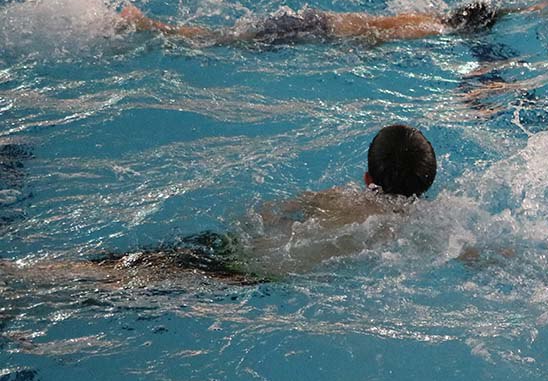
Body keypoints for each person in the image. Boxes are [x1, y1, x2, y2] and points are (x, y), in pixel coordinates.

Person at [2, 124, 437, 287]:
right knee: (122, 282)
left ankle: (27, 276)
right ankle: (31, 280)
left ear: (367, 179)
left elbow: (269, 212)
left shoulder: (335, 197)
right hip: (249, 279)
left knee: (120, 269)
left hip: (234, 251)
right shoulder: (420, 227)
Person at [116, 0, 502, 46]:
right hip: (313, 30)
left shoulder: (432, 15)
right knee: (223, 40)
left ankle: (149, 25)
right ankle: (148, 26)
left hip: (316, 21)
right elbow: (378, 36)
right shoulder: (434, 28)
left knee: (228, 36)